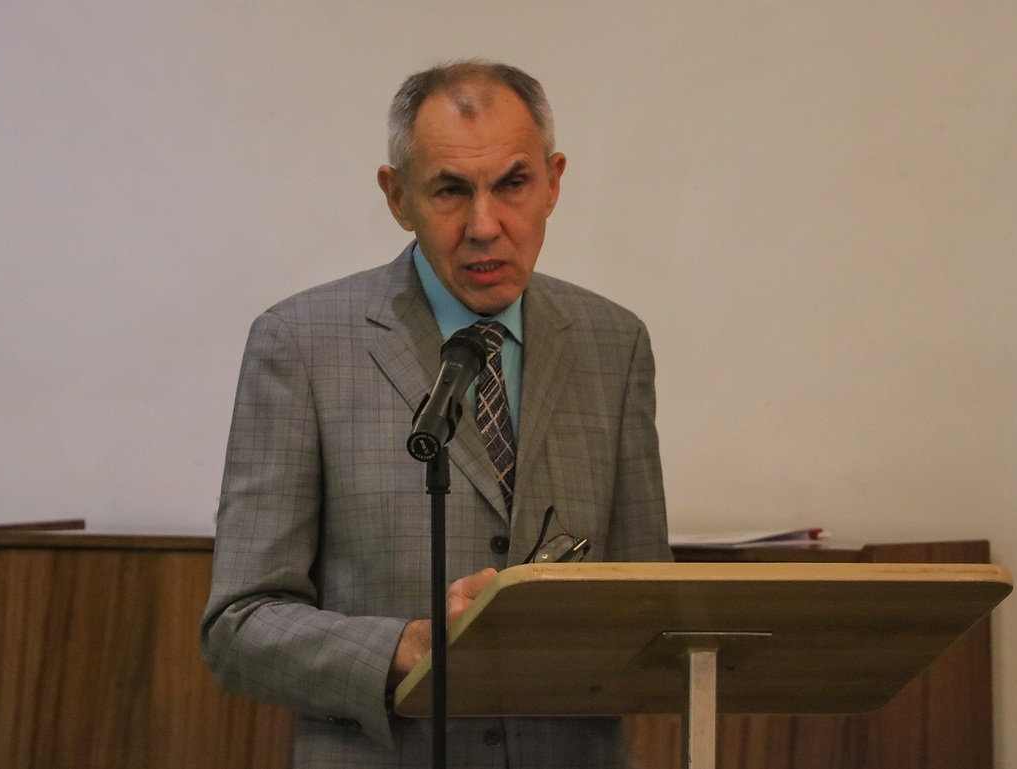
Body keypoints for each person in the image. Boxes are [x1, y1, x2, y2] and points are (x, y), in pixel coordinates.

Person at [200, 60, 671, 769]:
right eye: (450, 190)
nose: (484, 226)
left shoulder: (614, 342)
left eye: (512, 184)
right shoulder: (300, 344)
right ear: (397, 197)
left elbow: (650, 607)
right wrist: (406, 647)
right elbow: (238, 628)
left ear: (553, 182)